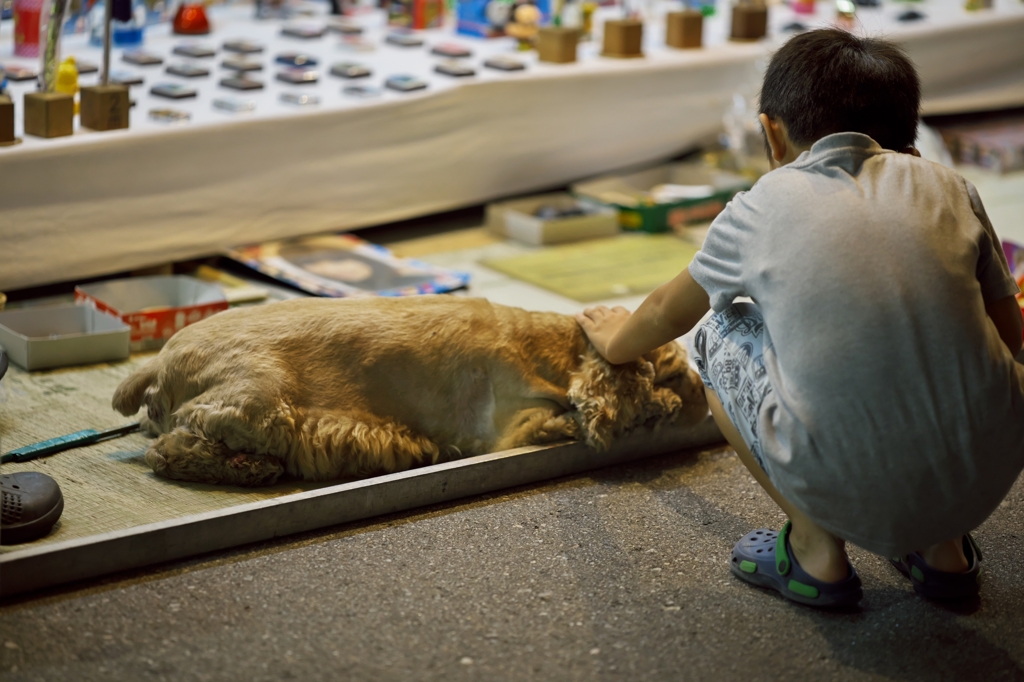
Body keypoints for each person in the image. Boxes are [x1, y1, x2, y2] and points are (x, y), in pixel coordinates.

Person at [576, 28, 1024, 608]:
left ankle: (816, 553)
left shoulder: (759, 205)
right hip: (989, 473)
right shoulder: (952, 186)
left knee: (715, 331)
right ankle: (944, 553)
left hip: (842, 477)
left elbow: (667, 310)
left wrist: (614, 342)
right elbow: (1010, 334)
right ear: (910, 140)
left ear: (772, 133)